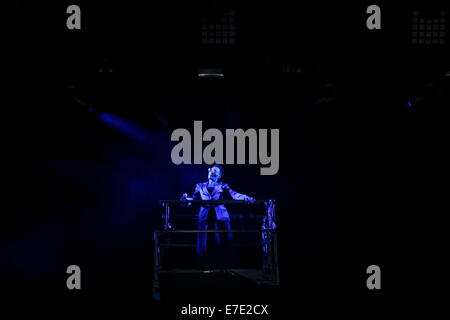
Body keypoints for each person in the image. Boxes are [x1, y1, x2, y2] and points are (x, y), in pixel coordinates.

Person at [180, 164, 255, 268]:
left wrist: (246, 197)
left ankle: (225, 267)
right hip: (205, 215)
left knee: (222, 241)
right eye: (211, 170)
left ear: (219, 176)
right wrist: (185, 199)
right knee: (203, 241)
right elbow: (193, 198)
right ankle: (202, 266)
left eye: (215, 171)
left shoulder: (223, 185)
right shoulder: (200, 185)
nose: (212, 172)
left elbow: (234, 194)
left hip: (220, 215)